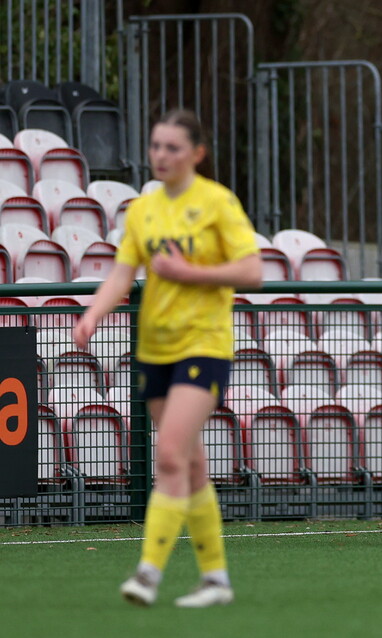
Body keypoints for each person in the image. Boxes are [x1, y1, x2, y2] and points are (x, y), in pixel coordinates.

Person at [73, 109, 263, 607]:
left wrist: (187, 272)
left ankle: (148, 574)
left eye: (173, 147)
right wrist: (92, 314)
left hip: (204, 344)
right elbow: (121, 274)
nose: (161, 155)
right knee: (192, 465)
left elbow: (252, 271)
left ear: (196, 153)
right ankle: (216, 581)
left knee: (170, 456)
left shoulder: (216, 202)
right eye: (156, 146)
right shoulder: (143, 209)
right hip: (154, 349)